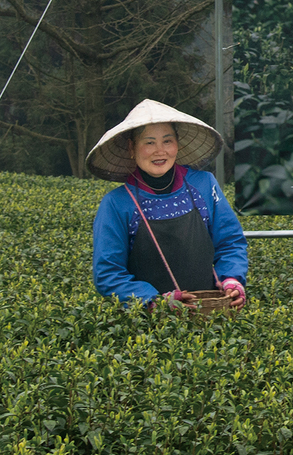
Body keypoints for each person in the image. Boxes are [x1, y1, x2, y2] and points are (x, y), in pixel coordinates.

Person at [90, 99, 248, 309]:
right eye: (149, 142)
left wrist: (232, 279)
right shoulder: (116, 204)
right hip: (149, 328)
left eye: (167, 141)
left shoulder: (204, 185)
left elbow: (230, 241)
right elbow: (108, 273)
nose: (160, 151)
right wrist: (155, 301)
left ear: (177, 143)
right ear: (131, 147)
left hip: (211, 315)